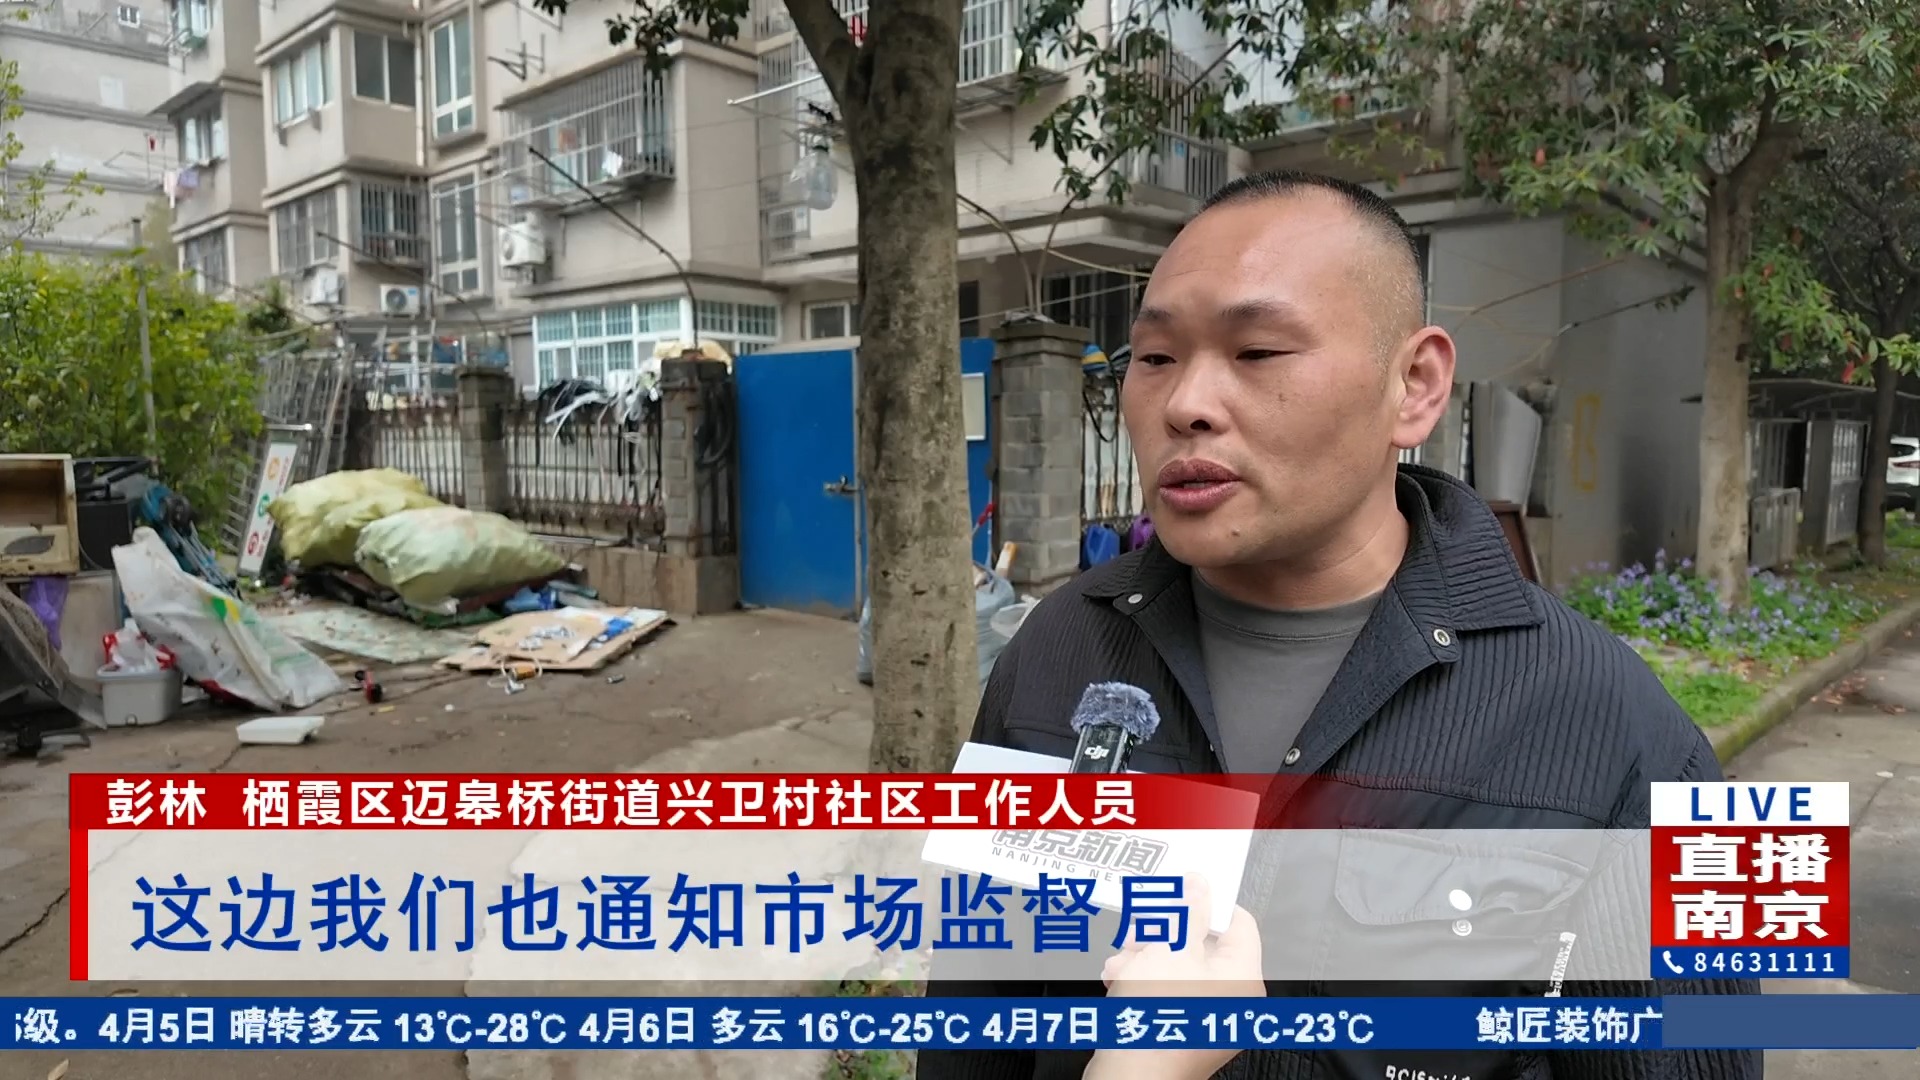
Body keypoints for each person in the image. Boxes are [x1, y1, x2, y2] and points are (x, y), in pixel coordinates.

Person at [917, 171, 1761, 1079]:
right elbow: (974, 1026)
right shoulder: (1056, 654)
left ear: (1415, 385)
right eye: (1154, 357)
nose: (1184, 403)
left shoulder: (1628, 733)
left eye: (1258, 351)